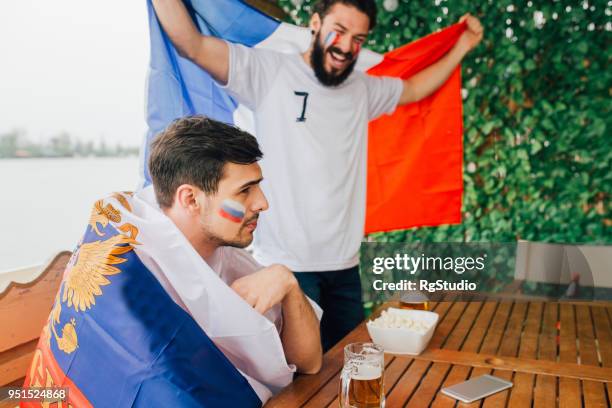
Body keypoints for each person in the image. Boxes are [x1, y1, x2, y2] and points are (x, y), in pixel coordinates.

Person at [151, 0, 484, 351]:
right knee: (302, 380)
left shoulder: (362, 89)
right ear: (315, 23)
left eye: (358, 39)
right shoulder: (269, 71)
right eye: (338, 31)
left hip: (344, 266)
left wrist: (462, 46)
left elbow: (416, 89)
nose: (346, 47)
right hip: (288, 267)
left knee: (352, 364)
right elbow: (192, 44)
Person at [23, 116, 321, 406]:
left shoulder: (224, 247)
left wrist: (288, 282)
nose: (263, 203)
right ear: (190, 199)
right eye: (245, 191)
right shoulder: (131, 276)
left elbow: (309, 364)